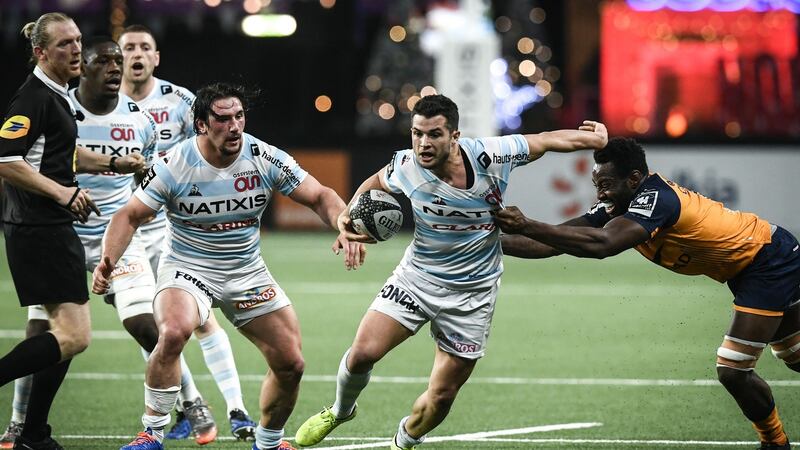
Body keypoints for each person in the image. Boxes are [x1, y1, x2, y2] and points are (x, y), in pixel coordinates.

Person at [294, 94, 607, 449]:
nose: (423, 144)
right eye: (417, 134)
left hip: (473, 293)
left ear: (455, 136)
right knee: (363, 352)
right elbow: (373, 184)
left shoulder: (493, 155)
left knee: (441, 397)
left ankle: (405, 441)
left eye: (434, 134)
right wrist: (349, 221)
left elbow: (547, 140)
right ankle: (339, 410)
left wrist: (595, 140)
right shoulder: (405, 165)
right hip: (417, 278)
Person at [93, 82, 358, 450]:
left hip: (246, 272)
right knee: (171, 334)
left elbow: (320, 196)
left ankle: (267, 442)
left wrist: (342, 222)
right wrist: (109, 259)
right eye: (222, 119)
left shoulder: (263, 157)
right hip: (189, 268)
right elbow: (129, 215)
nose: (234, 126)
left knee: (291, 363)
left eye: (239, 117)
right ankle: (151, 435)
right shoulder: (175, 164)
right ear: (201, 124)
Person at [494, 137, 799, 450]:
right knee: (794, 355)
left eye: (607, 184)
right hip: (752, 265)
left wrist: (528, 225)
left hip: (768, 260)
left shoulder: (656, 198)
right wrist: (483, 245)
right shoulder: (617, 204)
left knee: (733, 369)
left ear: (635, 179)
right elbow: (552, 243)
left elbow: (603, 245)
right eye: (597, 184)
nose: (600, 193)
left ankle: (775, 443)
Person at [0, 13, 142, 450]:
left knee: (59, 335)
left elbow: (63, 152)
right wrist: (63, 194)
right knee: (75, 336)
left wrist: (115, 163)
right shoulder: (34, 98)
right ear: (41, 53)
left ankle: (34, 434)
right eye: (64, 44)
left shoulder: (56, 97)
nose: (76, 49)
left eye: (78, 40)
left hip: (46, 225)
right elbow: (6, 160)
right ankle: (32, 431)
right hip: (40, 228)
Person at [117, 24, 257, 443]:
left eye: (145, 47)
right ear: (117, 57)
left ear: (156, 57)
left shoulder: (178, 101)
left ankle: (235, 409)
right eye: (129, 48)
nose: (137, 53)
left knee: (199, 321)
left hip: (171, 227)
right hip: (125, 224)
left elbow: (208, 149)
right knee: (145, 322)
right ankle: (188, 404)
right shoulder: (107, 105)